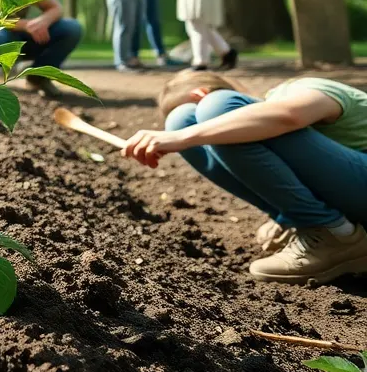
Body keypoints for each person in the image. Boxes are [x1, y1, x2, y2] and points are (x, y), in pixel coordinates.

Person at [121, 69, 367, 285]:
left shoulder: (301, 88)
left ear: (200, 93)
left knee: (218, 109)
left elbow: (289, 116)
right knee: (179, 121)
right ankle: (313, 225)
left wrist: (186, 137)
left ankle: (336, 234)